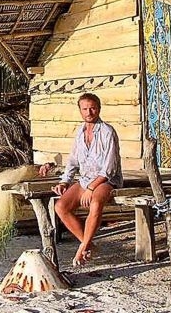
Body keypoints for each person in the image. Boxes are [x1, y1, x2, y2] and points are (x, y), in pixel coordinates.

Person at [38, 92, 123, 267]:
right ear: (80, 111)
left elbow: (109, 168)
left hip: (106, 180)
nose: (89, 112)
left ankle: (82, 248)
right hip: (85, 179)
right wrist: (64, 182)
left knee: (96, 203)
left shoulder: (107, 131)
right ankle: (88, 243)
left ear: (99, 108)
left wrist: (92, 188)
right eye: (85, 109)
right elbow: (73, 160)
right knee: (60, 206)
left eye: (92, 108)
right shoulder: (80, 132)